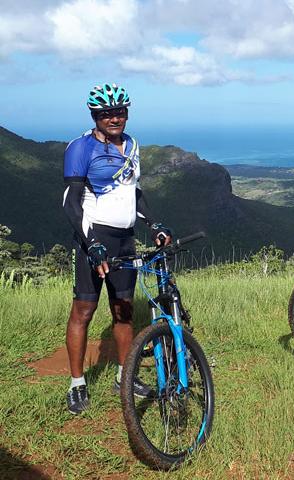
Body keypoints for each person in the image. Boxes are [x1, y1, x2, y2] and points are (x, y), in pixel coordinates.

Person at [62, 83, 173, 414]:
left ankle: (125, 376)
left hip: (125, 238)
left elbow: (133, 192)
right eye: (106, 113)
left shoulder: (132, 145)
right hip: (93, 238)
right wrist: (91, 244)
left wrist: (153, 224)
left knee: (123, 310)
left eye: (120, 112)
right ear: (95, 116)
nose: (114, 118)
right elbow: (71, 203)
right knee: (84, 310)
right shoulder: (80, 148)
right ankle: (77, 383)